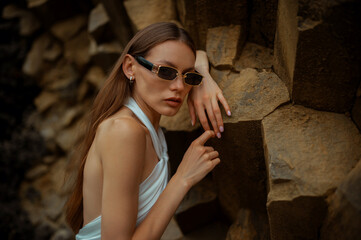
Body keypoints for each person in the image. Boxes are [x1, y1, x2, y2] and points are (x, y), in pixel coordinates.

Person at [65, 22, 230, 240]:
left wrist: (202, 78)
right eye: (166, 72)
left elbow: (195, 53)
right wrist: (182, 179)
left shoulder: (143, 125)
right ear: (130, 68)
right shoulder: (124, 131)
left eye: (188, 77)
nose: (180, 87)